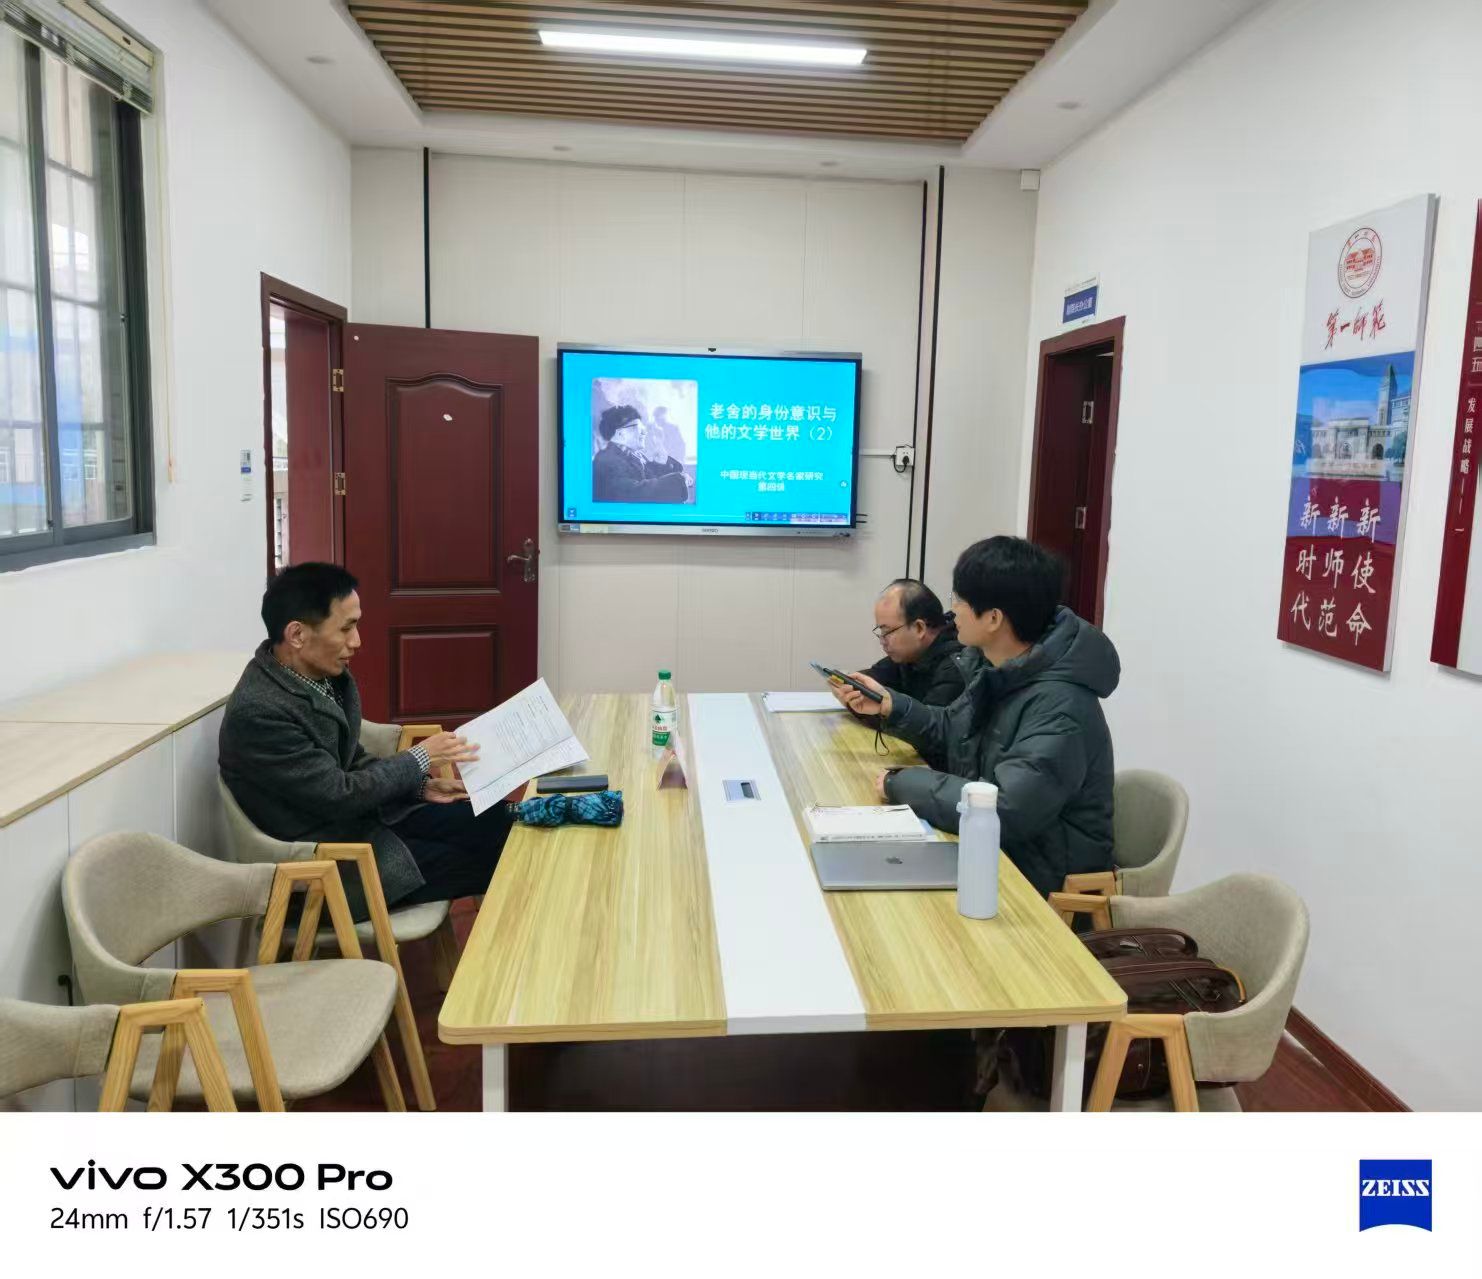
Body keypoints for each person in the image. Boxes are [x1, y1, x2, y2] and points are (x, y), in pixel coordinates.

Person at [219, 562, 510, 920]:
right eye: (346, 628)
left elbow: (349, 757)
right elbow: (339, 794)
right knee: (494, 859)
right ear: (297, 634)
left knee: (501, 820)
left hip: (366, 827)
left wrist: (420, 786)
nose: (357, 641)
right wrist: (418, 758)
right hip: (329, 867)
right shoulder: (260, 711)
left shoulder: (316, 674)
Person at [832, 537, 1118, 897]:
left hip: (1040, 883)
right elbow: (951, 728)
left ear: (993, 618)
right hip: (995, 853)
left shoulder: (1061, 706)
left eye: (959, 600)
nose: (952, 612)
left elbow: (1006, 808)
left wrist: (902, 784)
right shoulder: (997, 669)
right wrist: (892, 706)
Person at [592, 404, 689, 503]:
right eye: (637, 427)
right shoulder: (606, 461)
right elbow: (634, 493)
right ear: (620, 434)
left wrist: (662, 464)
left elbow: (650, 478)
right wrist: (678, 481)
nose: (644, 432)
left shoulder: (634, 455)